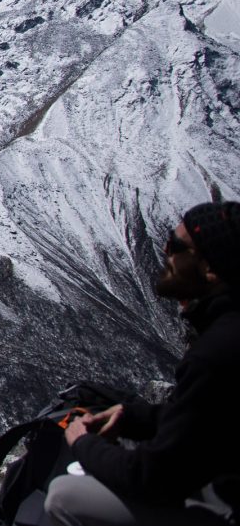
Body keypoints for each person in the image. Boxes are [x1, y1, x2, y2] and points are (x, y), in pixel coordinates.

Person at [46, 201, 239, 526]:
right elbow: (209, 419)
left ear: (210, 268)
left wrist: (83, 443)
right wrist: (134, 416)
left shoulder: (215, 354)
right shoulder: (227, 336)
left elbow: (151, 478)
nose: (164, 249)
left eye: (177, 245)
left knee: (63, 497)